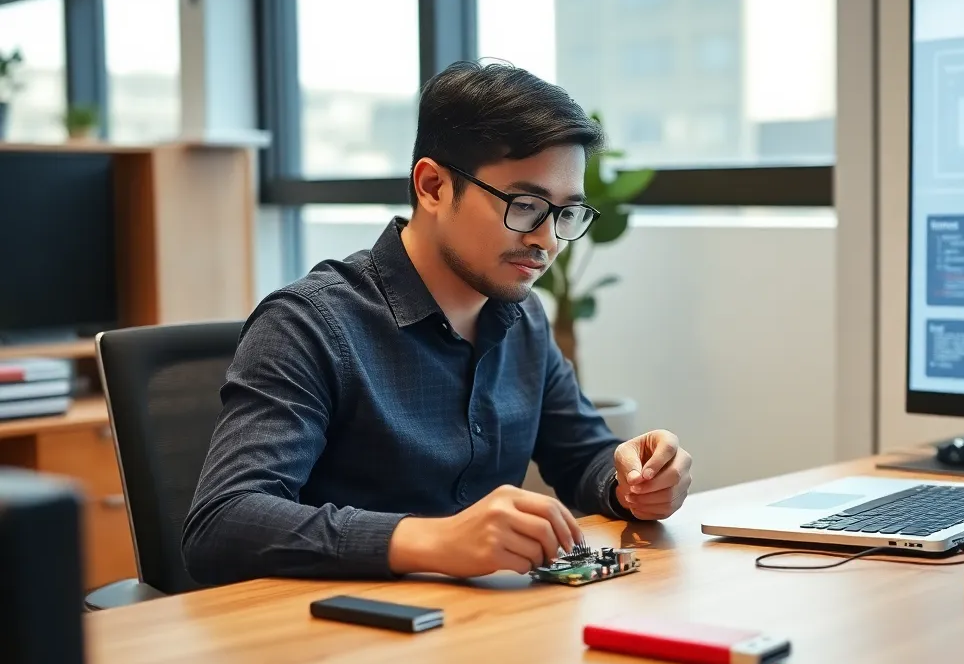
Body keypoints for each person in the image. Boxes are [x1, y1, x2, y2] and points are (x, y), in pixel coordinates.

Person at [182, 61, 693, 586]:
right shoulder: (310, 324)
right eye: (525, 205)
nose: (548, 240)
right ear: (432, 186)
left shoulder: (523, 319)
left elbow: (581, 455)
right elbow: (222, 524)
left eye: (567, 213)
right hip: (338, 640)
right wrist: (434, 540)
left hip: (479, 630)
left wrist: (632, 480)